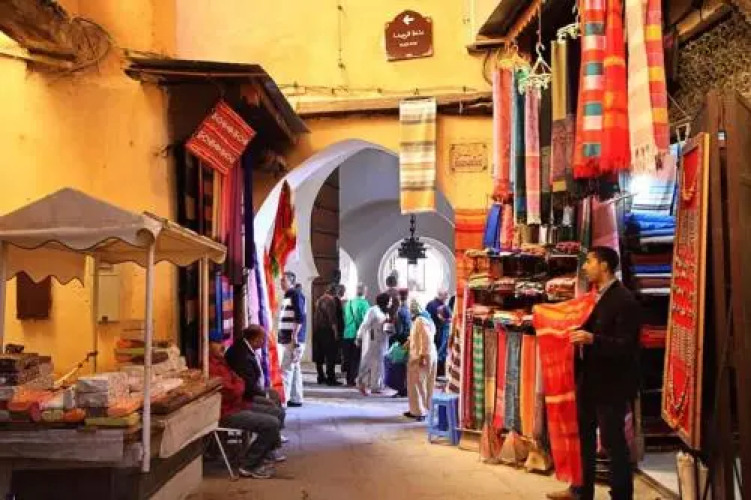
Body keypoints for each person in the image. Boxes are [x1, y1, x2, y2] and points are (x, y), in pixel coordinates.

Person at [547, 247, 641, 500]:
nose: (585, 267)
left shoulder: (624, 300)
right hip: (588, 380)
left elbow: (627, 346)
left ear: (604, 266)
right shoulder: (591, 299)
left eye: (589, 261)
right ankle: (581, 491)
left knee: (612, 442)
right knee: (583, 439)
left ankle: (621, 496)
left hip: (611, 384)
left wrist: (592, 339)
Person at [208, 331, 283, 479]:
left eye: (222, 342)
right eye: (217, 343)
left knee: (276, 412)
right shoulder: (211, 367)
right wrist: (239, 386)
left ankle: (265, 454)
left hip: (238, 404)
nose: (222, 346)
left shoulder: (221, 362)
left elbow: (239, 382)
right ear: (207, 345)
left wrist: (238, 386)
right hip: (227, 412)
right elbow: (233, 390)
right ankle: (249, 465)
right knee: (271, 422)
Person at [225, 325, 286, 428]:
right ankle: (273, 431)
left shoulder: (246, 348)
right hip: (246, 395)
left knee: (274, 394)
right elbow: (247, 385)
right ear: (256, 339)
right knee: (275, 409)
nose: (264, 342)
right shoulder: (242, 355)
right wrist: (264, 394)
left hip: (249, 390)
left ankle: (276, 432)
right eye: (263, 339)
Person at [403, 300, 438, 422]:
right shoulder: (427, 319)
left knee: (419, 384)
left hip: (422, 356)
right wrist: (408, 342)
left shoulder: (420, 321)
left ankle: (421, 411)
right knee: (424, 384)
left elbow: (426, 339)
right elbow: (418, 336)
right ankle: (419, 409)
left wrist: (423, 356)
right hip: (429, 354)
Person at [278, 271, 306, 407]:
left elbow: (300, 317)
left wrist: (294, 336)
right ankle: (296, 398)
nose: (281, 283)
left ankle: (282, 401)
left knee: (286, 369)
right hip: (289, 338)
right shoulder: (289, 295)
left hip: (292, 339)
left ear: (291, 281)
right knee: (294, 368)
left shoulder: (295, 294)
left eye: (283, 280)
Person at [355, 292, 391, 396]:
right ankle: (360, 382)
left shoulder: (385, 312)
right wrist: (359, 336)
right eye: (389, 301)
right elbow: (365, 324)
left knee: (379, 364)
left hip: (382, 341)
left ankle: (376, 386)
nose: (390, 303)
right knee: (367, 362)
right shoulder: (373, 311)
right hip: (371, 341)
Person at [313, 284, 342, 386]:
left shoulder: (319, 300)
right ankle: (331, 378)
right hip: (327, 331)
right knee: (330, 355)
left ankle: (320, 376)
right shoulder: (330, 301)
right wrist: (336, 332)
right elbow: (332, 318)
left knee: (319, 355)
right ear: (335, 292)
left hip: (318, 330)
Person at [342, 283, 370, 386]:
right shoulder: (364, 304)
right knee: (356, 358)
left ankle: (348, 378)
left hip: (347, 333)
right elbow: (365, 321)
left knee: (348, 357)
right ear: (365, 292)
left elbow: (345, 317)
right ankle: (353, 379)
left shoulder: (349, 303)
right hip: (357, 334)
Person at [385, 288, 411, 398]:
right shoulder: (407, 309)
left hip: (401, 341)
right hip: (407, 340)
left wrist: (392, 336)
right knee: (404, 366)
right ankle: (404, 389)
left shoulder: (400, 312)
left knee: (399, 366)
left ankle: (401, 389)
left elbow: (399, 330)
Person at [426, 290, 451, 377]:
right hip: (439, 333)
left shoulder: (430, 304)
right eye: (445, 296)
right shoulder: (441, 306)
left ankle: (433, 373)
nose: (447, 298)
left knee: (433, 354)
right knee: (440, 354)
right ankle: (438, 374)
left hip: (431, 333)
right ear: (441, 295)